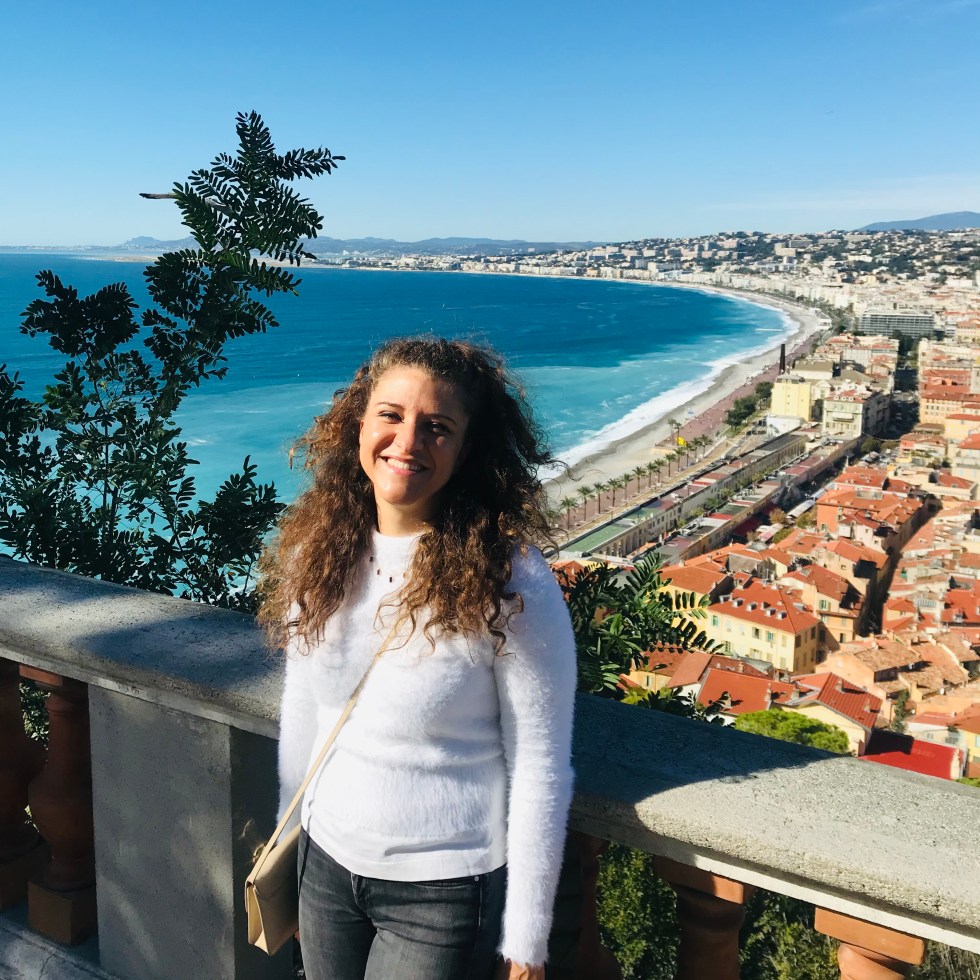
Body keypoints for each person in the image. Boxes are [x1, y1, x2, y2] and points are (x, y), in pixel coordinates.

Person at [258, 337, 577, 980]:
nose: (407, 442)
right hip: (325, 865)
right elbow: (305, 711)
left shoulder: (512, 580)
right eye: (391, 415)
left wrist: (527, 937)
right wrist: (287, 847)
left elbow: (541, 760)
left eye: (437, 427)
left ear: (466, 450)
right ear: (357, 424)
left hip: (443, 890)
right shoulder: (318, 555)